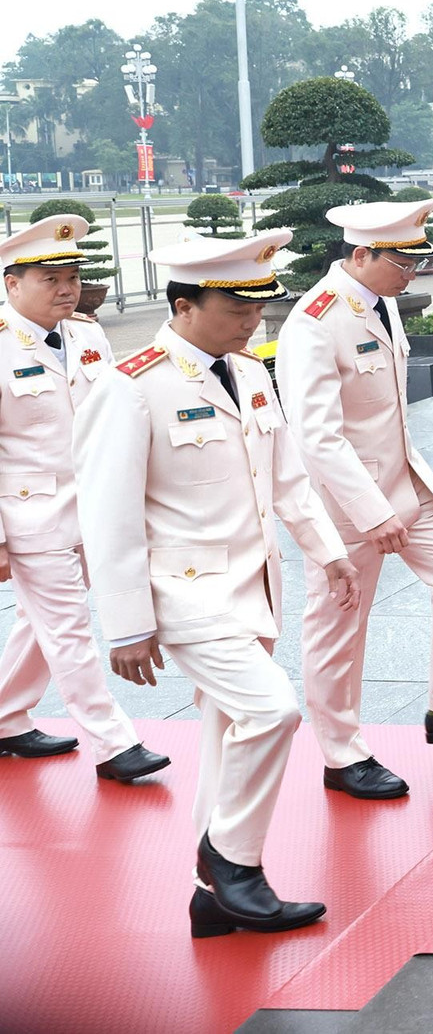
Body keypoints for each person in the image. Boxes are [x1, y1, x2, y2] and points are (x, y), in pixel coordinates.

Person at [74, 230, 359, 937]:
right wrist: (127, 624)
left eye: (258, 306)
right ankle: (231, 859)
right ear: (184, 305)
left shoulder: (251, 372)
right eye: (237, 307)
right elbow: (107, 513)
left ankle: (212, 900)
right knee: (273, 710)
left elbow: (285, 477)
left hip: (253, 589)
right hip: (184, 591)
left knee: (229, 728)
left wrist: (328, 551)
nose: (252, 321)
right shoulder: (130, 384)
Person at [277, 200, 433, 802]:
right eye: (404, 262)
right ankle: (342, 754)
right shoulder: (314, 321)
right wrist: (371, 513)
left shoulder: (380, 302)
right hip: (346, 503)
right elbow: (317, 436)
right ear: (361, 255)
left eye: (419, 261)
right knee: (338, 626)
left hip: (405, 481)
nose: (414, 273)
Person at [0, 215, 167, 781]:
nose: (67, 288)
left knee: (38, 624)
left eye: (72, 276)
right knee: (67, 628)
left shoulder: (88, 336)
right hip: (31, 517)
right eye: (50, 278)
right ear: (12, 283)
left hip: (94, 510)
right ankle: (114, 743)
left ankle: (4, 717)